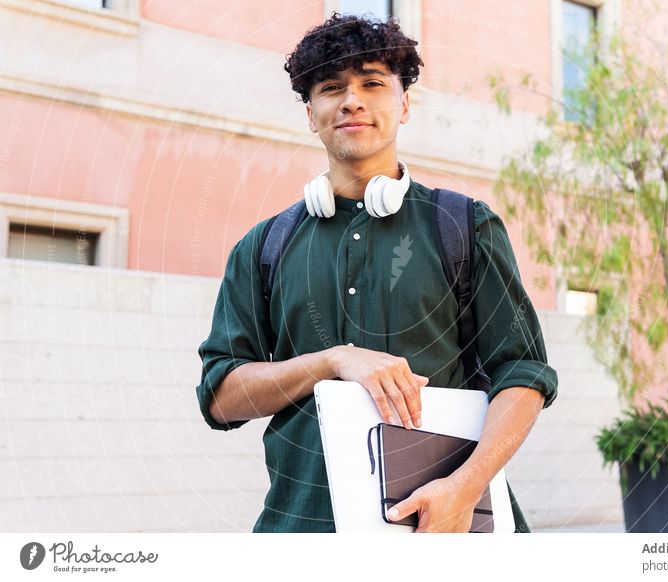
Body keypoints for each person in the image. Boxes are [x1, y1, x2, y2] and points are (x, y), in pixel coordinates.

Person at [196, 12, 558, 533]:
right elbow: (221, 397)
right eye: (330, 87)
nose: (352, 100)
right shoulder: (262, 247)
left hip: (443, 530)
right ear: (310, 112)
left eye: (372, 84)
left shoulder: (465, 227)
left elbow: (524, 374)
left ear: (404, 104)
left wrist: (467, 484)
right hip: (302, 533)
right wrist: (332, 361)